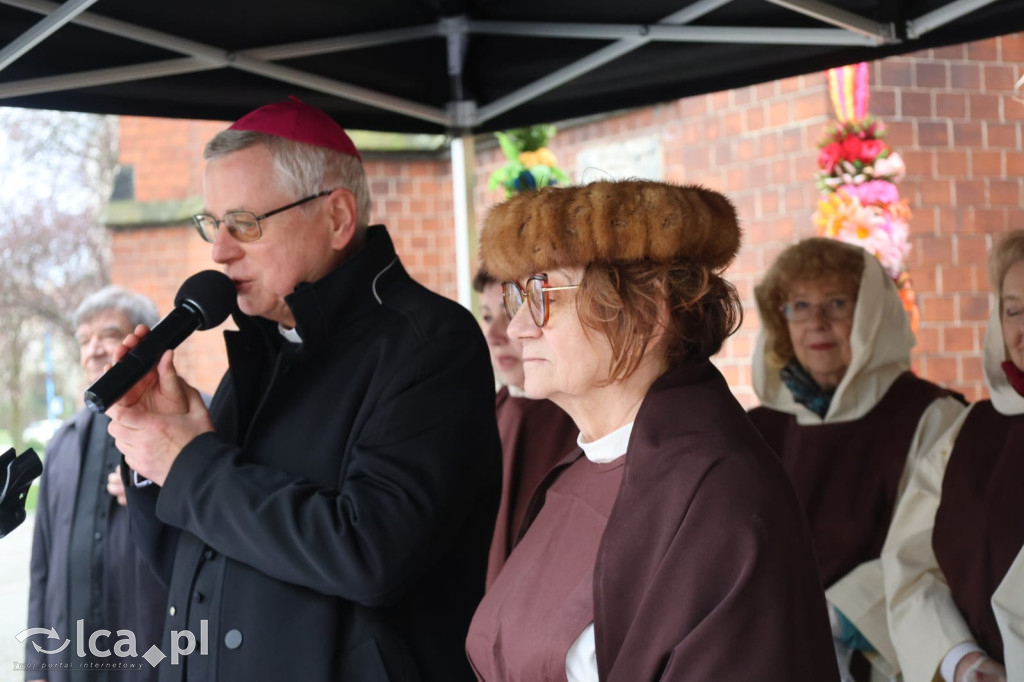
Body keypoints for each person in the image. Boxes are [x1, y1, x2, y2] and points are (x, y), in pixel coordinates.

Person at [105, 98, 501, 682]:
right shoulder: (266, 346)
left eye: (244, 223)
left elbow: (371, 554)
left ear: (338, 217)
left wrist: (190, 463)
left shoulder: (428, 343)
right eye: (212, 224)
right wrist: (154, 455)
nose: (219, 251)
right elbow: (193, 566)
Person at [466, 179, 840, 681]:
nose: (515, 329)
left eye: (544, 293)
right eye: (517, 296)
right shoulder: (582, 464)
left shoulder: (719, 495)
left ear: (648, 311)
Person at [747, 237, 966, 682]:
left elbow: (932, 545)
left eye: (837, 303)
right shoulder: (758, 428)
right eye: (800, 306)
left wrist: (836, 614)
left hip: (876, 656)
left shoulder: (931, 416)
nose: (817, 323)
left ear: (872, 315)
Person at [883, 230, 1024, 682]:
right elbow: (911, 562)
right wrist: (962, 660)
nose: (1023, 328)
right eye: (1013, 309)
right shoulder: (971, 430)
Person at [26, 287, 167, 682]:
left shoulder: (193, 424)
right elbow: (42, 566)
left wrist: (167, 488)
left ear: (147, 340)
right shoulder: (61, 443)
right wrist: (36, 667)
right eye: (84, 341)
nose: (94, 350)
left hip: (156, 654)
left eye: (107, 335)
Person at [473, 269, 578, 587]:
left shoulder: (573, 420)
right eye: (488, 317)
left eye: (511, 313)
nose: (496, 335)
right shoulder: (489, 410)